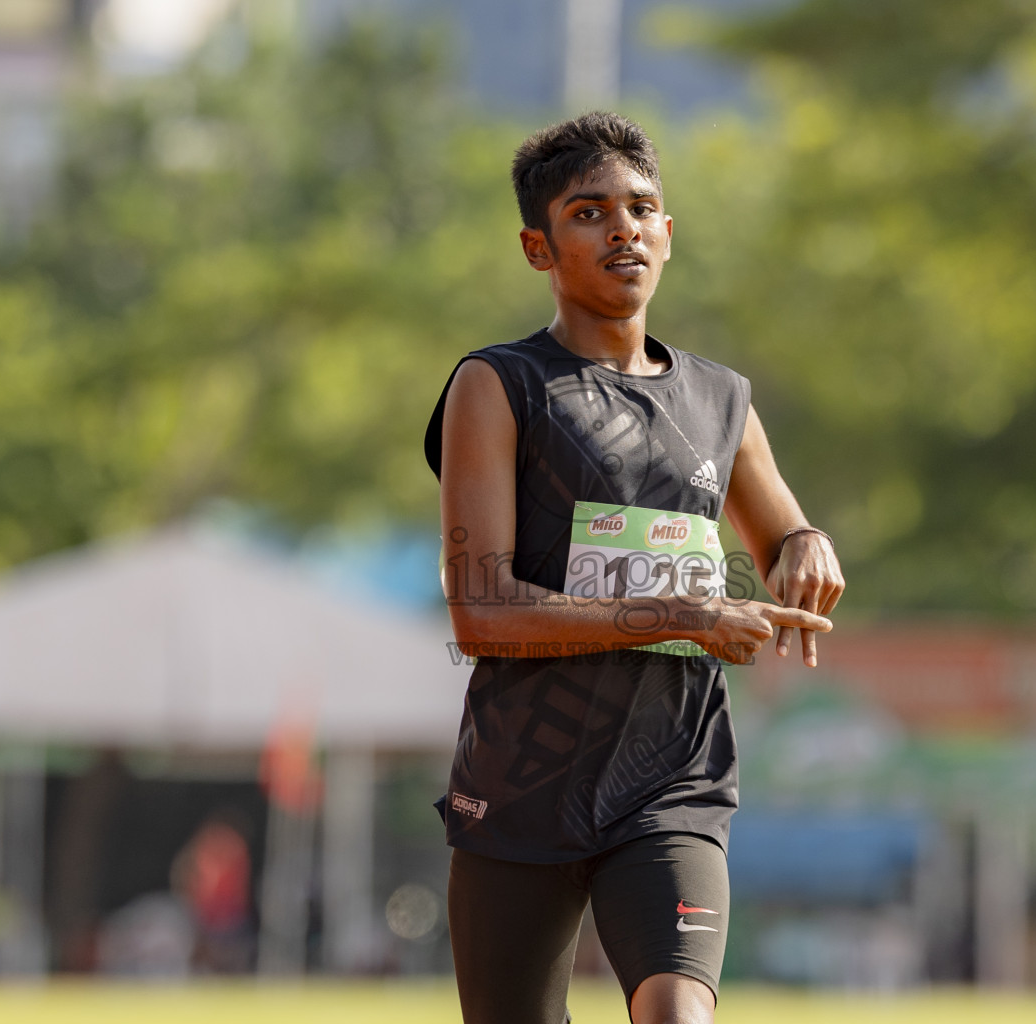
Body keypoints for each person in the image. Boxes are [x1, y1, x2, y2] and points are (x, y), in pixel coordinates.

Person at [424, 112, 844, 1024]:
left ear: (668, 233)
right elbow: (481, 613)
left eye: (642, 209)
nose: (623, 229)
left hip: (672, 783)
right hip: (521, 788)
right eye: (589, 213)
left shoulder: (720, 399)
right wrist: (687, 617)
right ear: (538, 248)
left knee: (677, 1014)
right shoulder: (497, 386)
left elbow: (782, 534)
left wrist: (806, 544)